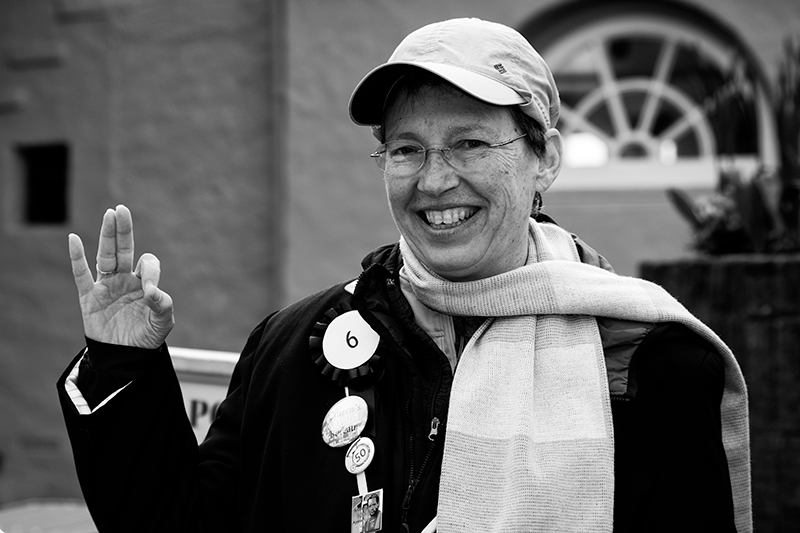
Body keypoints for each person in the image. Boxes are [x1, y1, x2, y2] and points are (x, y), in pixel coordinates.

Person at [58, 17, 751, 533]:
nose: (435, 179)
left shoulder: (649, 364)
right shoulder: (294, 347)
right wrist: (122, 363)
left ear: (545, 159)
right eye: (406, 149)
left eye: (471, 143)